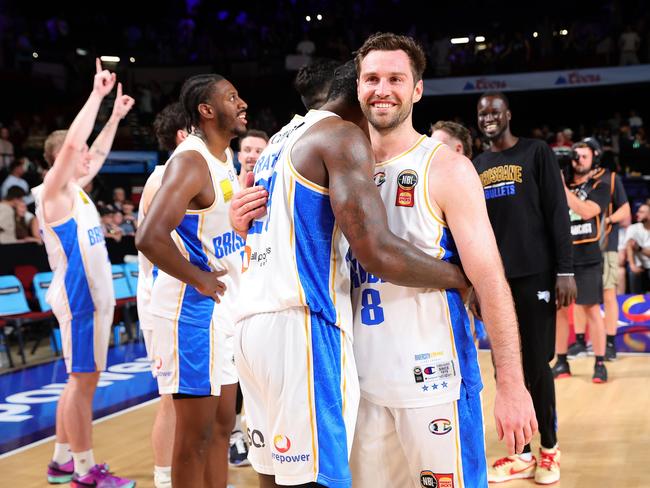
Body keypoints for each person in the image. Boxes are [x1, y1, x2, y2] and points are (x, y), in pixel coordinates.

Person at [228, 61, 478, 488]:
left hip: (252, 325)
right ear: (356, 93)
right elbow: (375, 249)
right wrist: (459, 276)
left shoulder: (278, 142)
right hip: (301, 323)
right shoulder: (339, 135)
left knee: (275, 473)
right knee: (319, 478)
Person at [349, 33, 536, 488]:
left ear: (417, 90)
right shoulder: (339, 166)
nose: (382, 89)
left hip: (434, 381)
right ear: (357, 87)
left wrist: (511, 384)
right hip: (356, 386)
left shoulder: (446, 167)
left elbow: (489, 278)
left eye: (396, 78)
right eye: (372, 78)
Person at [136, 73, 246, 488]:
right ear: (206, 109)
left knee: (222, 428)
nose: (242, 103)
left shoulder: (225, 159)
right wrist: (198, 278)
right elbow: (149, 236)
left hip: (222, 310)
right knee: (194, 438)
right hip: (190, 314)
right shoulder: (191, 159)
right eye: (232, 97)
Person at [35, 59, 135, 487]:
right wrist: (97, 95)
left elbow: (95, 151)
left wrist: (113, 116)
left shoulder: (76, 191)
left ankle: (60, 460)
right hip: (79, 300)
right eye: (80, 152)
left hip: (91, 300)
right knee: (83, 384)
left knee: (77, 383)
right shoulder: (53, 192)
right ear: (61, 158)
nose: (89, 155)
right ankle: (84, 470)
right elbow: (78, 147)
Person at [474, 91, 576, 484]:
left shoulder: (536, 153)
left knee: (535, 366)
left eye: (494, 111)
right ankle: (519, 454)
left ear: (508, 115)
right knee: (506, 368)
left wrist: (564, 271)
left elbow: (557, 212)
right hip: (495, 282)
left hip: (536, 275)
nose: (488, 118)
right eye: (482, 113)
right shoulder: (477, 164)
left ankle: (548, 450)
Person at [137, 101, 188, 488]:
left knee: (190, 398)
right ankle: (163, 480)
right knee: (170, 397)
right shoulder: (163, 177)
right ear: (184, 136)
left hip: (186, 299)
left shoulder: (188, 173)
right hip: (162, 298)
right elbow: (154, 244)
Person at [552, 138, 610, 385]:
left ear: (594, 158)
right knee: (561, 312)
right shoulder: (559, 182)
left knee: (591, 310)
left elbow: (587, 211)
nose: (578, 160)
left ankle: (599, 362)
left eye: (583, 156)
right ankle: (561, 360)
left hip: (588, 257)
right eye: (575, 156)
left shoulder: (601, 184)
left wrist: (561, 188)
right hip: (562, 257)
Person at [572, 163, 630, 361]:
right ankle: (580, 341)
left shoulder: (610, 178)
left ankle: (610, 343)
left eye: (584, 155)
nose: (578, 160)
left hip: (605, 245)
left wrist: (607, 219)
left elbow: (626, 211)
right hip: (580, 245)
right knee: (579, 298)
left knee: (608, 294)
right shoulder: (572, 180)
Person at [625, 201, 650, 293]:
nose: (637, 214)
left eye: (641, 212)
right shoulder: (633, 228)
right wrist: (632, 265)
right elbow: (629, 246)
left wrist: (639, 248)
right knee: (632, 272)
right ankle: (635, 299)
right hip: (639, 265)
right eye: (638, 211)